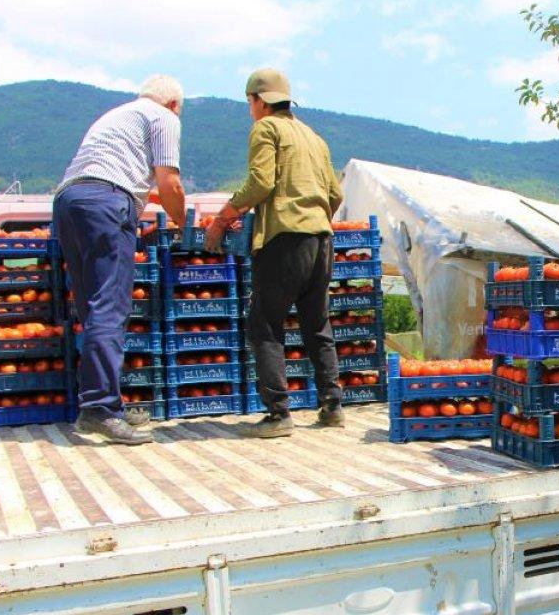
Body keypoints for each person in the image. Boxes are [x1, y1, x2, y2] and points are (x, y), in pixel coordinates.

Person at [205, 68, 345, 438]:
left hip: (284, 239)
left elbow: (261, 182)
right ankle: (332, 406)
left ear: (259, 100)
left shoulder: (266, 128)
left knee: (265, 324)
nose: (250, 109)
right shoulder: (314, 137)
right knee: (317, 323)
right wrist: (315, 217)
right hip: (322, 241)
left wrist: (223, 218)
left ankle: (278, 414)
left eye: (250, 102)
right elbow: (336, 195)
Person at [54, 74, 186, 445]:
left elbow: (134, 182)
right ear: (174, 104)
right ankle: (98, 408)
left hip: (70, 201)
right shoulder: (165, 118)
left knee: (92, 309)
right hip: (107, 205)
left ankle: (104, 404)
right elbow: (169, 182)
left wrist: (153, 200)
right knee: (110, 308)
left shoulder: (121, 115)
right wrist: (181, 221)